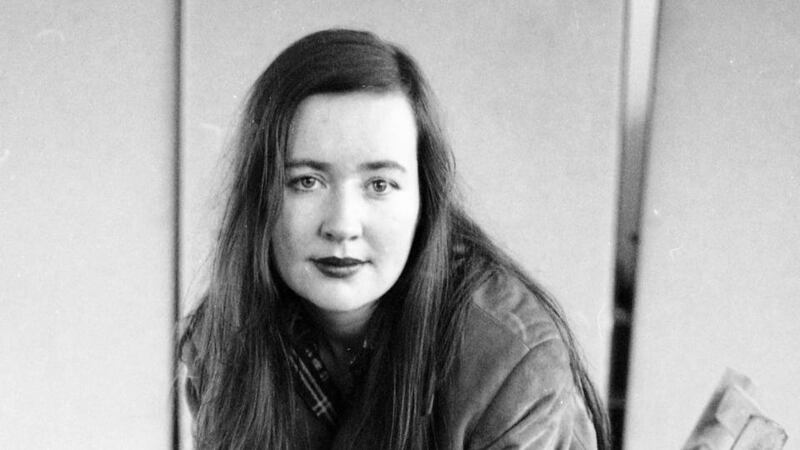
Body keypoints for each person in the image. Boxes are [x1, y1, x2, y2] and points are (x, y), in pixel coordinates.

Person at [179, 28, 610, 450]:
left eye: (379, 185)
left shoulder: (507, 360)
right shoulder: (221, 339)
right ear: (260, 195)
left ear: (425, 198)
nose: (343, 225)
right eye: (306, 181)